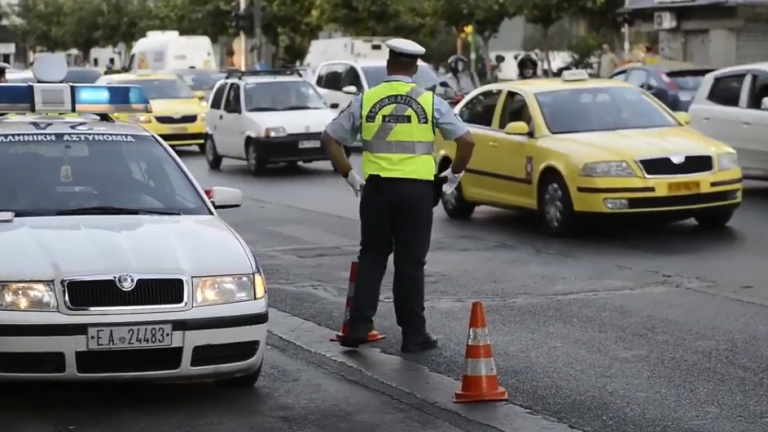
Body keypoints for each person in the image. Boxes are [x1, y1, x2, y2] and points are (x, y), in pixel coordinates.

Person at [322, 38, 476, 352]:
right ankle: (413, 335)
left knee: (372, 257)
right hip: (417, 192)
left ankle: (358, 328)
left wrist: (351, 176)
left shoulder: (367, 99)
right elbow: (467, 141)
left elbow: (330, 137)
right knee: (410, 263)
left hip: (377, 189)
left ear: (389, 64)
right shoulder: (430, 101)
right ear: (415, 67)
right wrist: (453, 176)